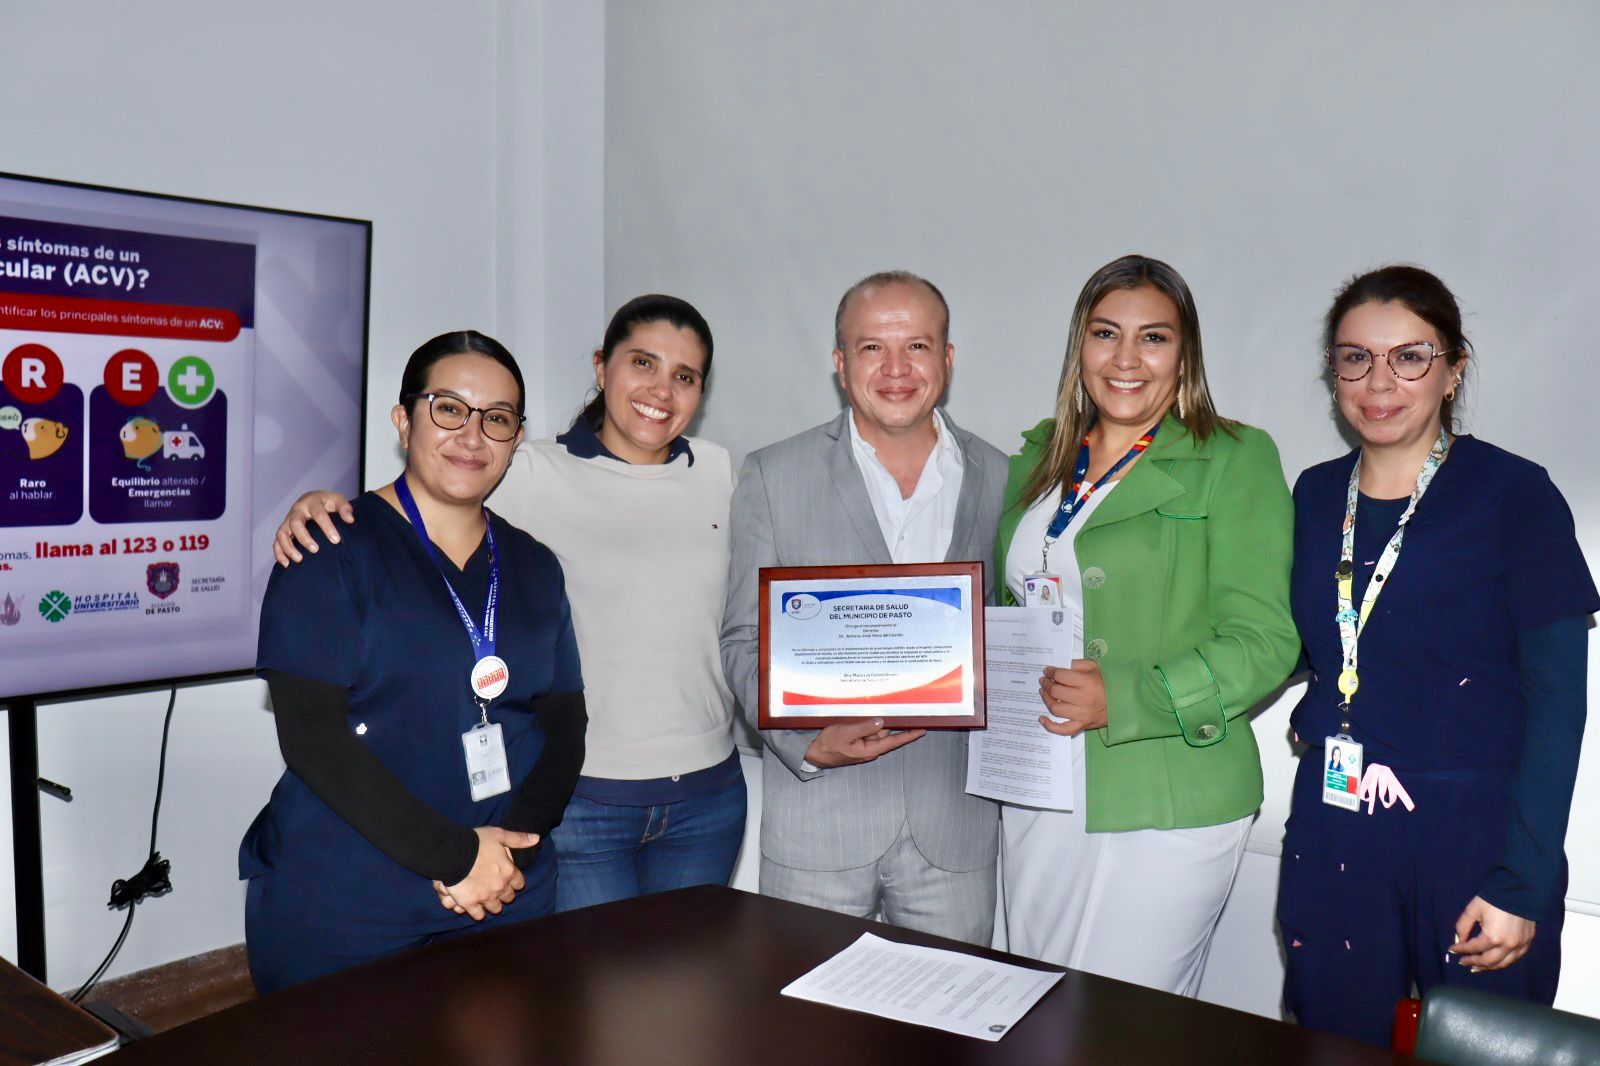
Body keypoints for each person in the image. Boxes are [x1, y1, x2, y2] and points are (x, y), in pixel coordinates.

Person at [274, 296, 745, 913]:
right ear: (603, 369)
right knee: (592, 999)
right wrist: (317, 501)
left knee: (693, 986)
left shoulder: (717, 470)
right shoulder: (527, 468)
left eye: (685, 376)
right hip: (581, 799)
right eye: (642, 363)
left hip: (708, 794)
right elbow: (422, 490)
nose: (662, 389)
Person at [1277, 265, 1598, 1046]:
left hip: (1473, 835)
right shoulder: (1315, 497)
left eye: (1409, 357)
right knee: (1330, 1042)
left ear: (1453, 369)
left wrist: (1522, 883)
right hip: (1335, 820)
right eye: (1355, 358)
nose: (1379, 381)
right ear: (1333, 373)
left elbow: (1559, 702)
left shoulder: (1515, 495)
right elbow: (1306, 643)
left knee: (1481, 1048)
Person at [990, 254, 1299, 995]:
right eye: (1105, 334)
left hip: (1166, 787)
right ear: (1080, 347)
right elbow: (1013, 606)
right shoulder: (1039, 455)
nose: (1126, 359)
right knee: (1027, 1010)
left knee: (1122, 1025)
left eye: (1153, 338)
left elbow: (1266, 642)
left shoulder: (1233, 458)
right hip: (1039, 782)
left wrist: (1128, 697)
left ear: (1184, 352)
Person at [241, 330, 586, 993]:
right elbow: (313, 738)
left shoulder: (535, 566)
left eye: (498, 418)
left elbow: (564, 722)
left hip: (504, 890)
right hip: (350, 898)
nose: (472, 434)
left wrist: (504, 850)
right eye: (448, 408)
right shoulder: (330, 550)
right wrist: (457, 857)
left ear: (517, 438)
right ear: (404, 420)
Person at [720, 270, 1007, 945]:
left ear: (948, 358)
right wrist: (805, 743)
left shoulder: (1003, 476)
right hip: (820, 818)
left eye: (918, 345)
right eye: (873, 347)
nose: (897, 369)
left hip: (954, 824)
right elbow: (742, 637)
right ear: (840, 364)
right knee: (806, 1039)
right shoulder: (772, 473)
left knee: (946, 1036)